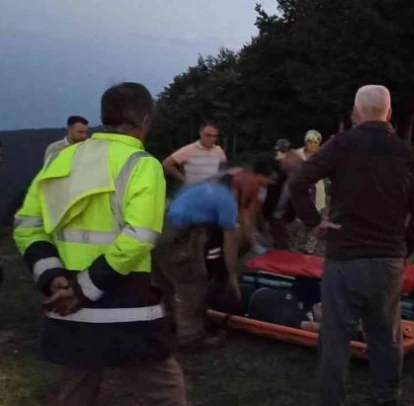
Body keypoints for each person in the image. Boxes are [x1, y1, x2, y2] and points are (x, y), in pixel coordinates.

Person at [13, 82, 186, 405]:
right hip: (127, 308)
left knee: (76, 392)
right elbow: (140, 237)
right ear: (146, 119)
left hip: (68, 306)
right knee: (164, 393)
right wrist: (83, 288)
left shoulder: (61, 160)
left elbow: (27, 225)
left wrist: (53, 278)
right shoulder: (142, 164)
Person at [289, 84, 414, 406]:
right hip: (387, 260)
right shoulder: (404, 151)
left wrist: (314, 221)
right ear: (388, 113)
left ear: (355, 112)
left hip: (345, 258)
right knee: (386, 335)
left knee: (335, 339)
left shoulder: (341, 144)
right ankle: (387, 397)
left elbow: (298, 182)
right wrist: (403, 249)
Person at [154, 158, 279, 350]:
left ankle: (169, 324)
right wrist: (232, 275)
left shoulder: (207, 186)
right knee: (193, 285)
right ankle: (190, 336)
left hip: (158, 233)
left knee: (169, 284)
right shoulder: (226, 200)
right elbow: (230, 243)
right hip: (179, 238)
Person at [162, 121, 227, 185]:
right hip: (194, 189)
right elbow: (166, 164)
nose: (212, 139)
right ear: (201, 133)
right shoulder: (188, 150)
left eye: (214, 136)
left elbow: (223, 170)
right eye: (208, 135)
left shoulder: (219, 151)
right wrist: (183, 179)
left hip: (212, 189)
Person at [263, 149, 304, 249]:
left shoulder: (299, 181)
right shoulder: (275, 177)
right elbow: (266, 201)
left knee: (282, 244)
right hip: (270, 216)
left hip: (284, 218)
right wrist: (265, 221)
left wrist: (296, 220)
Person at [295, 130, 327, 254]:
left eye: (315, 142)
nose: (312, 144)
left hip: (317, 192)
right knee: (300, 222)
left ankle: (310, 248)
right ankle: (298, 246)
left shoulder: (322, 155)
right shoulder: (298, 154)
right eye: (310, 141)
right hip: (301, 191)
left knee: (316, 222)